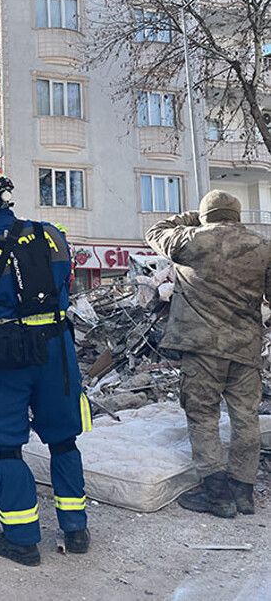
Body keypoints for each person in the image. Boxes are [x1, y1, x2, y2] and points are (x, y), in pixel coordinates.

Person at [0, 163, 90, 567]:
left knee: (8, 447)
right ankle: (76, 530)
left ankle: (22, 538)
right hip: (58, 350)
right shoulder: (53, 235)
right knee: (63, 440)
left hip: (6, 353)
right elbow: (66, 283)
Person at [146, 190, 271, 518]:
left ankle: (215, 492)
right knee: (246, 418)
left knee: (203, 414)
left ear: (206, 215)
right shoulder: (262, 247)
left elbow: (155, 232)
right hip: (245, 347)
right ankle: (243, 492)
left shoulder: (190, 240)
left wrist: (189, 218)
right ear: (237, 214)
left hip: (202, 347)